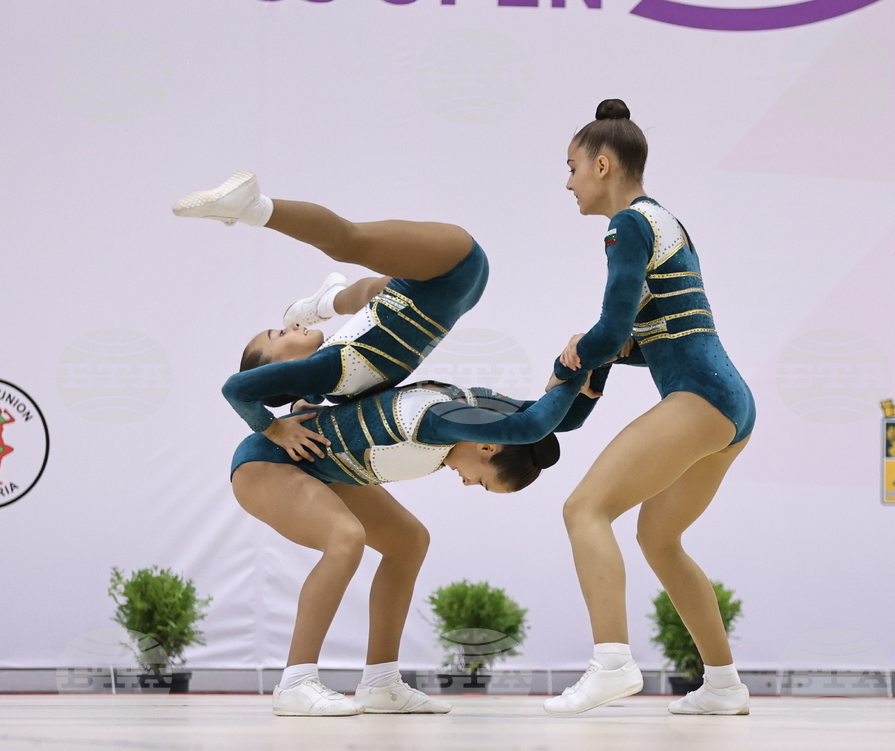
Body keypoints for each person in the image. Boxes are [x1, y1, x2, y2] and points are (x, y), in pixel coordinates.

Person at [173, 174, 604, 716]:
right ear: (489, 448)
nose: (466, 482)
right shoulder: (435, 419)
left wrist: (585, 374)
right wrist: (274, 427)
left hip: (333, 452)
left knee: (407, 541)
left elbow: (552, 424)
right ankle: (295, 683)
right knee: (346, 537)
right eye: (481, 481)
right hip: (269, 457)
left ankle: (380, 681)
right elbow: (533, 426)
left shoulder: (450, 411)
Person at [541, 99, 755, 716]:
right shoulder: (666, 220)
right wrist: (600, 352)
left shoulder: (628, 225)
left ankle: (611, 662)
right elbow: (659, 336)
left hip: (703, 396)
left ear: (603, 164)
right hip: (728, 401)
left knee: (584, 508)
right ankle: (724, 685)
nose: (568, 181)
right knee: (659, 539)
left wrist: (576, 356)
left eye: (573, 166)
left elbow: (612, 333)